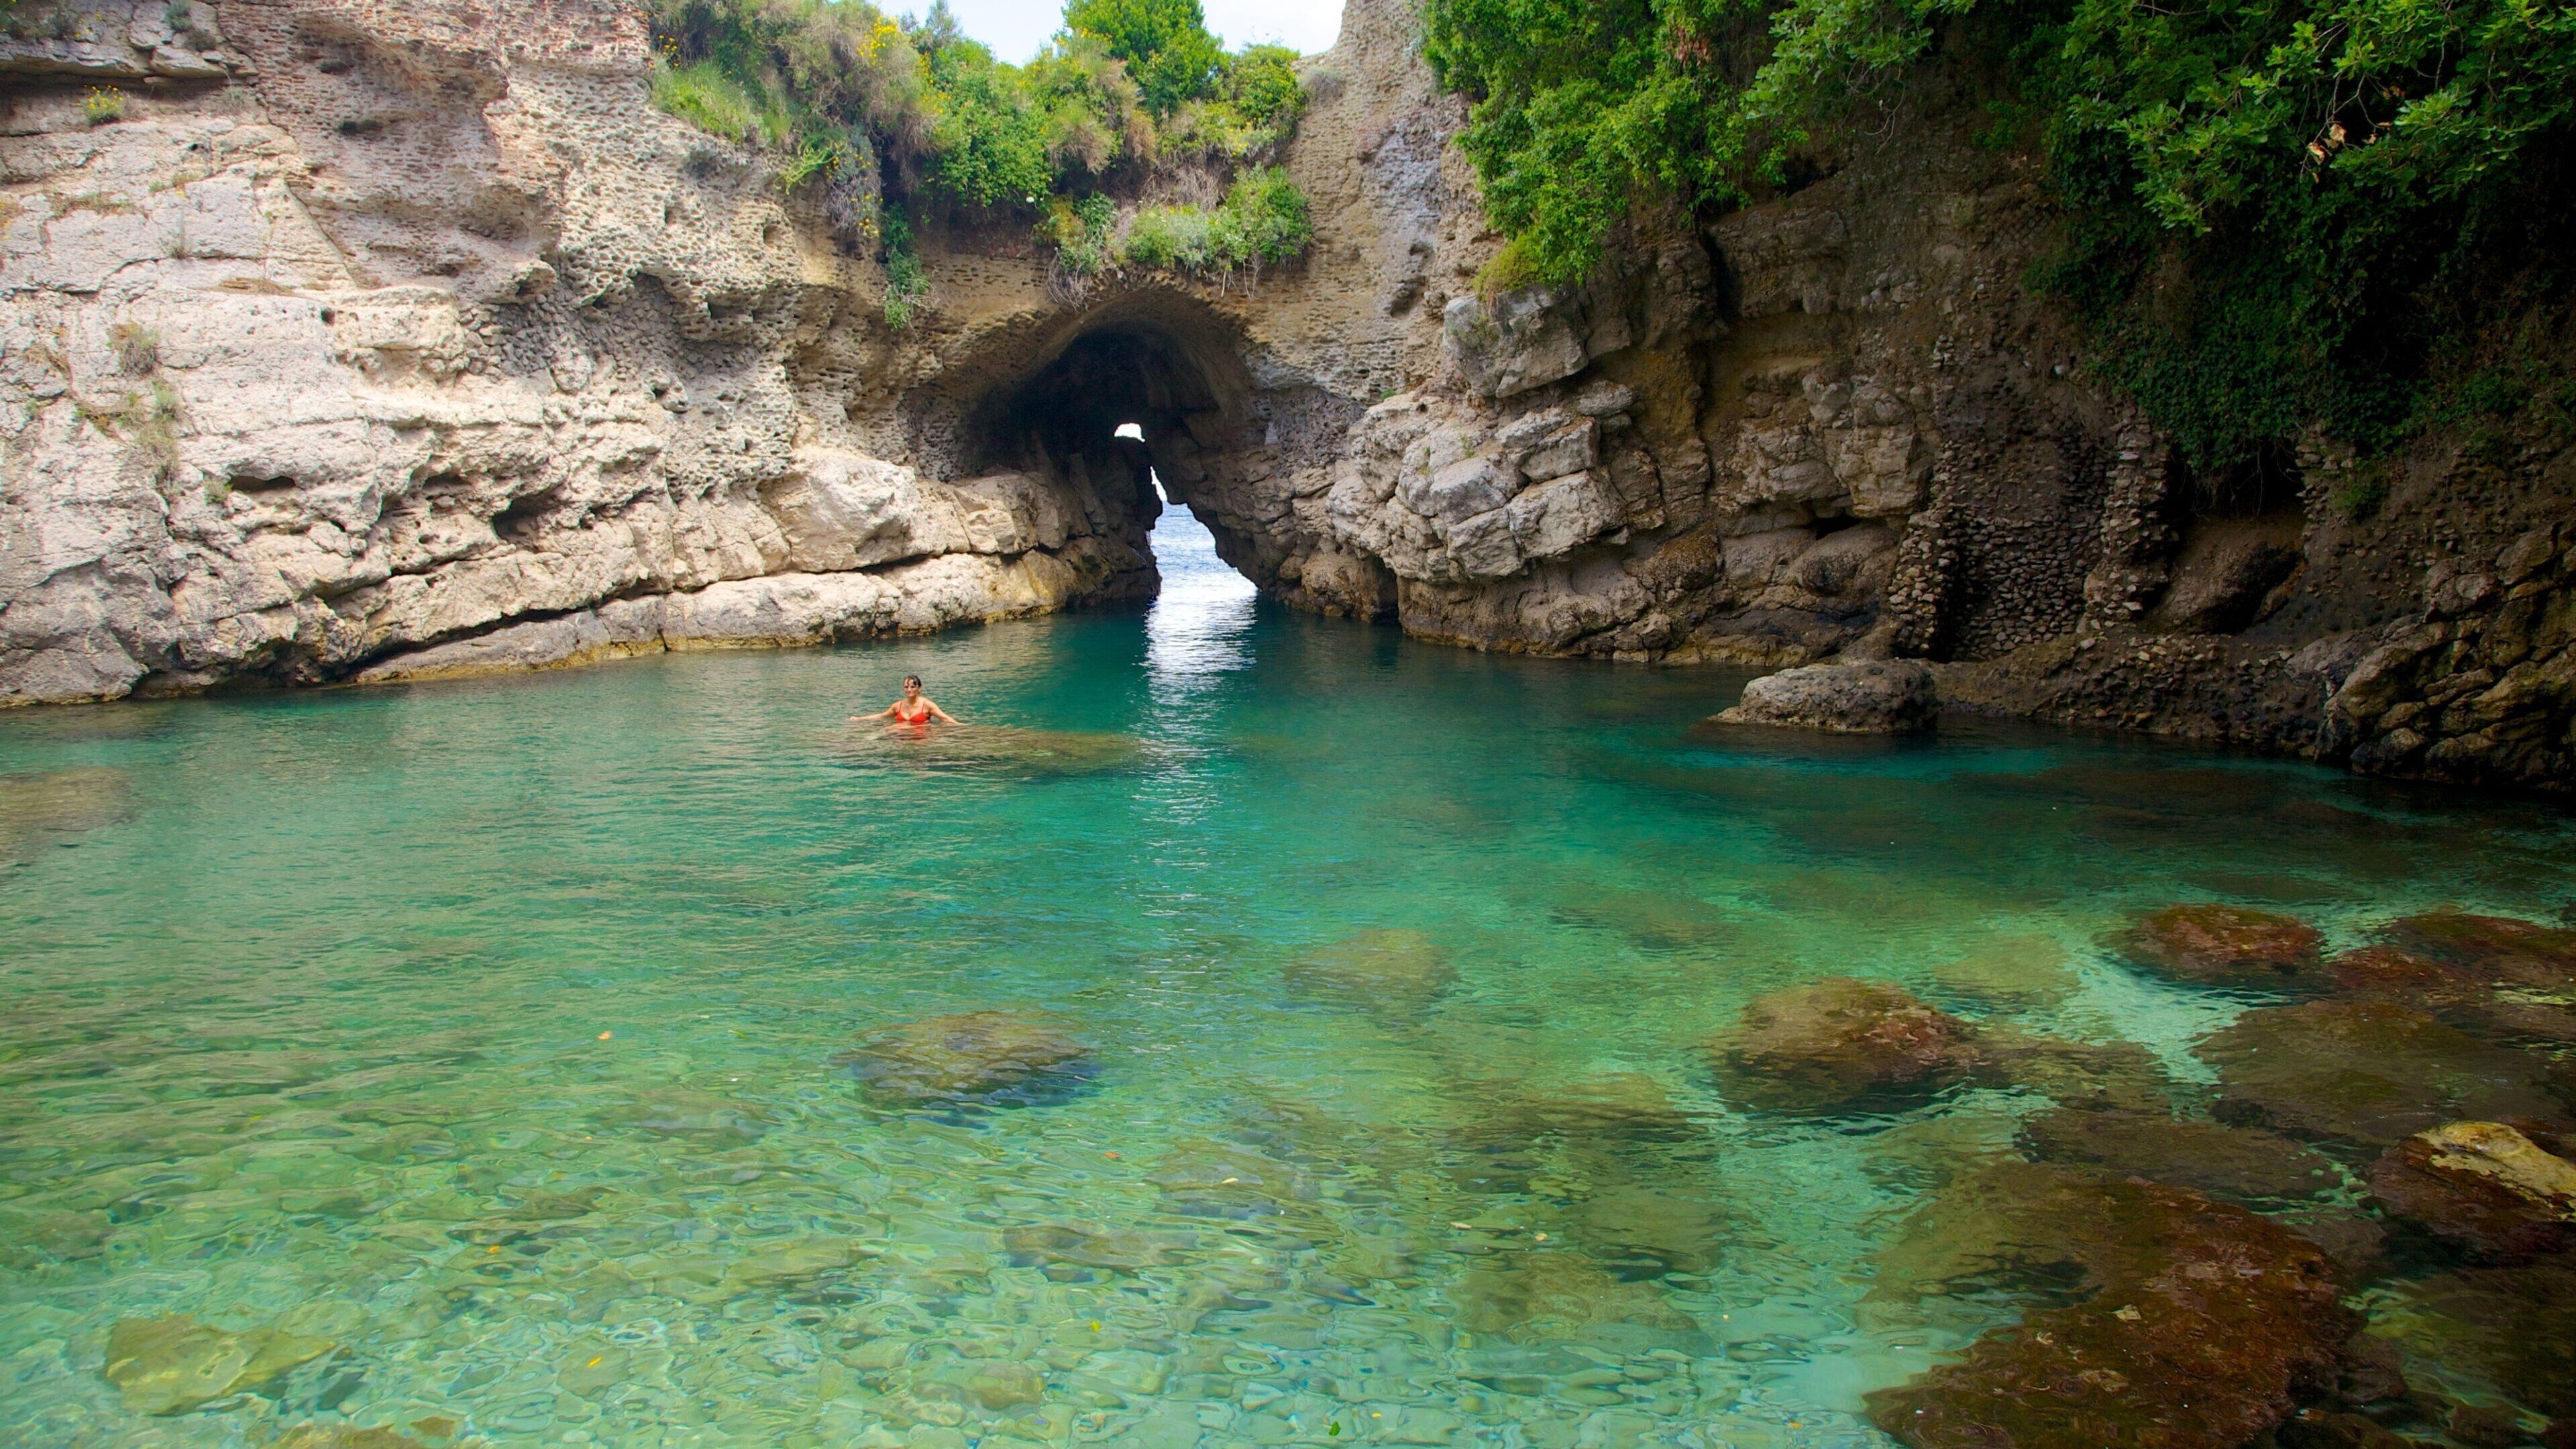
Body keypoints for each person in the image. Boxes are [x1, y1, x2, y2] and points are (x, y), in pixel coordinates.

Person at [857, 675, 955, 727]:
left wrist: (962, 727)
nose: (909, 690)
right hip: (901, 738)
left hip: (920, 739)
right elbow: (882, 716)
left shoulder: (927, 705)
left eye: (913, 687)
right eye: (906, 687)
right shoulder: (897, 706)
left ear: (919, 688)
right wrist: (858, 719)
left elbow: (946, 719)